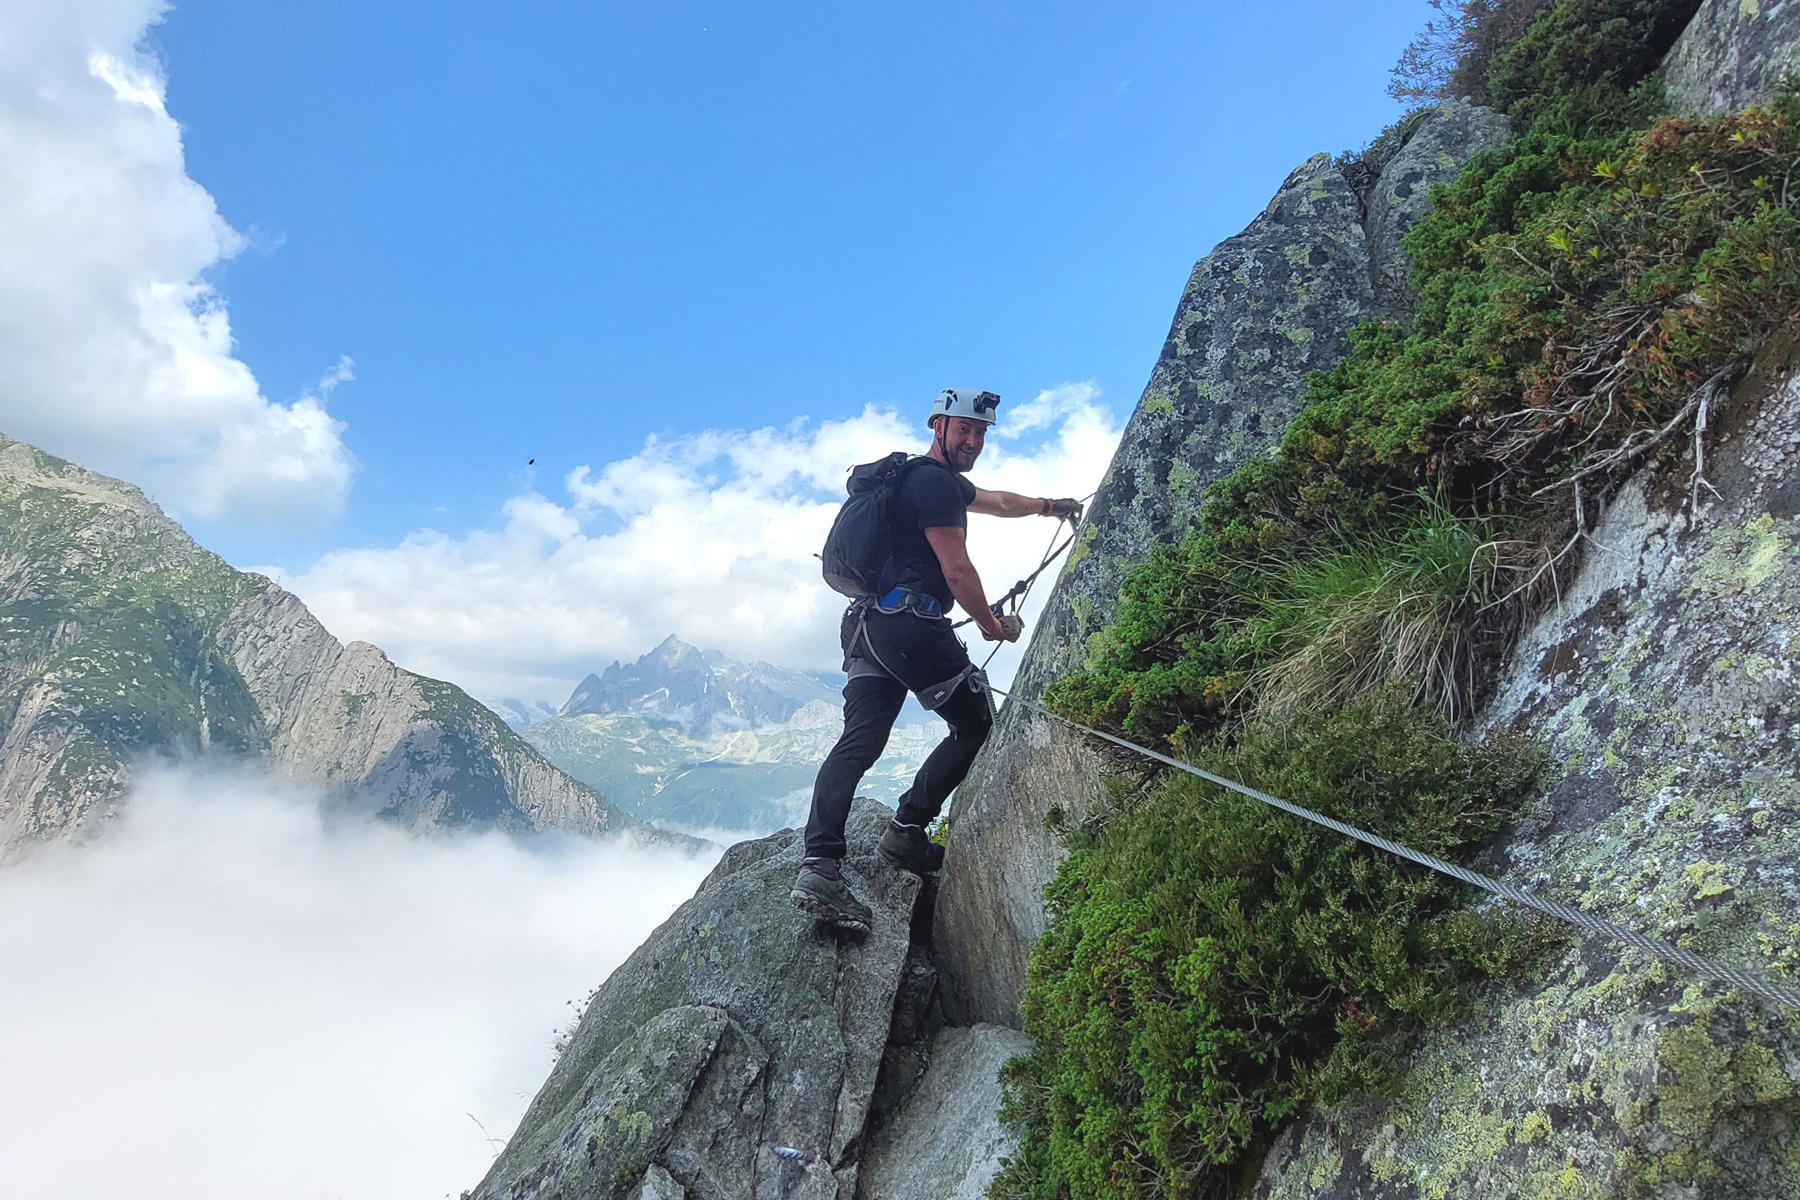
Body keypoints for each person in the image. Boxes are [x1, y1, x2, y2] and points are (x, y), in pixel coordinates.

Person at [790, 388, 1083, 931]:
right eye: (963, 430)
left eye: (980, 433)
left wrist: (1050, 507)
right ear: (938, 427)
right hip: (913, 629)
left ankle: (820, 863)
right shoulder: (934, 485)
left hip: (867, 626)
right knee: (976, 726)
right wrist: (995, 626)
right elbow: (957, 572)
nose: (972, 440)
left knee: (860, 741)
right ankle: (905, 833)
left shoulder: (918, 480)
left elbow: (996, 501)